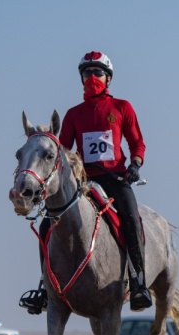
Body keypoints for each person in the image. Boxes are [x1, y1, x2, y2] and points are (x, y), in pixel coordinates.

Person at [18, 50, 152, 314]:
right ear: (81, 78)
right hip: (83, 182)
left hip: (115, 178)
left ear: (108, 78)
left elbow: (137, 142)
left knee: (132, 219)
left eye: (97, 72)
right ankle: (45, 287)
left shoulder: (122, 107)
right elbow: (62, 150)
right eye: (87, 73)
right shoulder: (73, 114)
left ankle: (138, 282)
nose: (92, 76)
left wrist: (135, 163)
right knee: (47, 225)